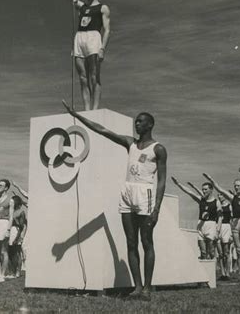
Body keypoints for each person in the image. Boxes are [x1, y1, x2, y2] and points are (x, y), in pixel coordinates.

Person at [63, 101, 167, 300]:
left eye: (141, 121)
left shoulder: (158, 149)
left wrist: (156, 209)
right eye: (136, 121)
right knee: (130, 242)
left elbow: (161, 180)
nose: (136, 124)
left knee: (146, 242)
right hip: (127, 192)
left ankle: (147, 288)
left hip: (145, 194)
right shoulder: (131, 143)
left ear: (150, 125)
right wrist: (76, 115)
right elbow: (103, 130)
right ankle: (137, 288)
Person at [34, 0, 111, 111]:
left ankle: (95, 109)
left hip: (93, 37)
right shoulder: (81, 7)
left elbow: (107, 30)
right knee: (82, 77)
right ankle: (87, 109)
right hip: (79, 39)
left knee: (94, 76)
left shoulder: (103, 8)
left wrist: (102, 48)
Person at [203, 174, 240, 282]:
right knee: (239, 250)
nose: (236, 187)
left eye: (238, 186)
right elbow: (220, 190)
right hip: (236, 223)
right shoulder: (233, 198)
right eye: (235, 186)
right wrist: (211, 179)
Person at [171, 178, 221, 260]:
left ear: (211, 190)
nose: (204, 191)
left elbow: (220, 217)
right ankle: (203, 270)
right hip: (200, 225)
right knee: (203, 252)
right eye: (203, 189)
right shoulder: (201, 200)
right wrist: (178, 184)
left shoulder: (216, 202)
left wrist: (218, 231)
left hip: (211, 225)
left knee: (211, 251)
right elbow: (189, 192)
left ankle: (213, 270)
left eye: (206, 189)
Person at [8, 195, 27, 279]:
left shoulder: (21, 212)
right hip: (10, 231)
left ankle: (18, 271)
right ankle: (11, 271)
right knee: (10, 253)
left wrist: (17, 238)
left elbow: (22, 226)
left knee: (17, 253)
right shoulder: (10, 211)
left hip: (16, 231)